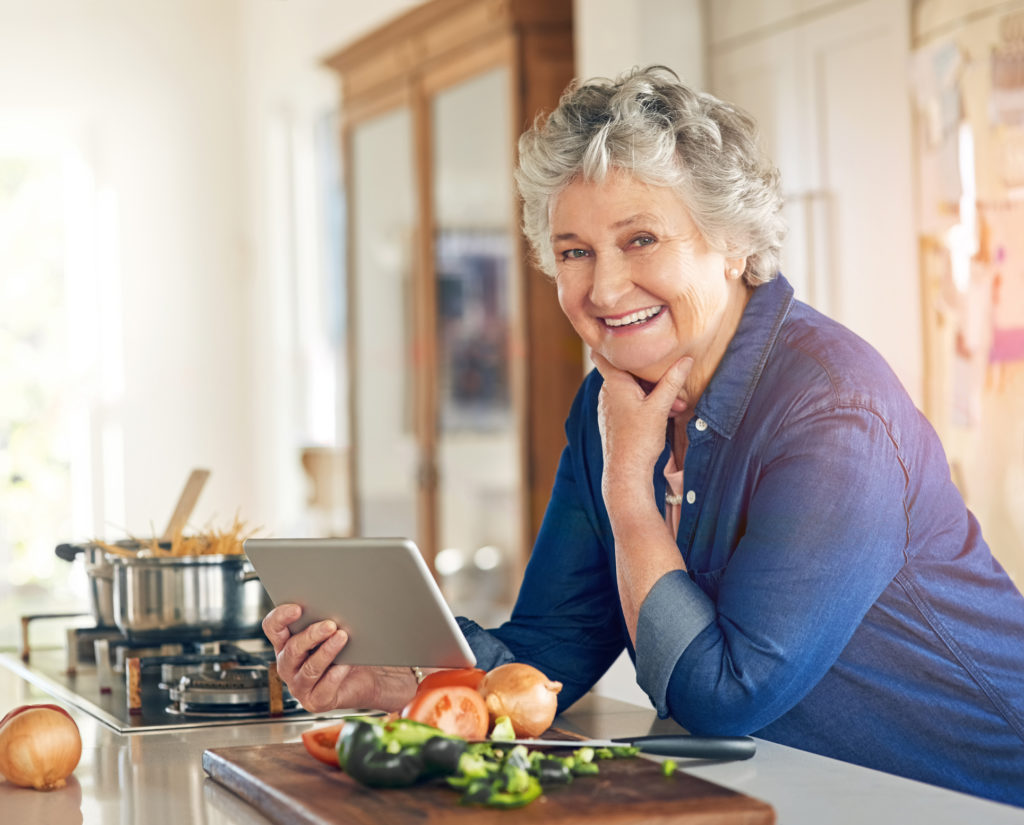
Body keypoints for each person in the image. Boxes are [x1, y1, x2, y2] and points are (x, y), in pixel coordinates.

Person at [263, 66, 1024, 807]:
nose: (605, 288)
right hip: (811, 794)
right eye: (574, 251)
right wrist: (398, 677)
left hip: (970, 800)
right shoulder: (613, 402)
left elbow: (723, 697)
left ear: (731, 243)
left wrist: (630, 493)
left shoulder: (831, 411)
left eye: (641, 240)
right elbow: (550, 647)